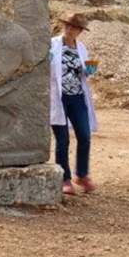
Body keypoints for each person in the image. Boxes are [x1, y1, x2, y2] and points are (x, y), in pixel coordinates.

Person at [49, 12, 99, 195]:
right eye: (67, 25)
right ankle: (65, 179)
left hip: (77, 96)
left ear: (79, 31)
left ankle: (82, 174)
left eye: (74, 27)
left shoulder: (81, 48)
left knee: (84, 136)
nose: (69, 29)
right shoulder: (52, 45)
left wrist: (89, 71)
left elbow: (84, 71)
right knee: (63, 139)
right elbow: (45, 66)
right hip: (58, 97)